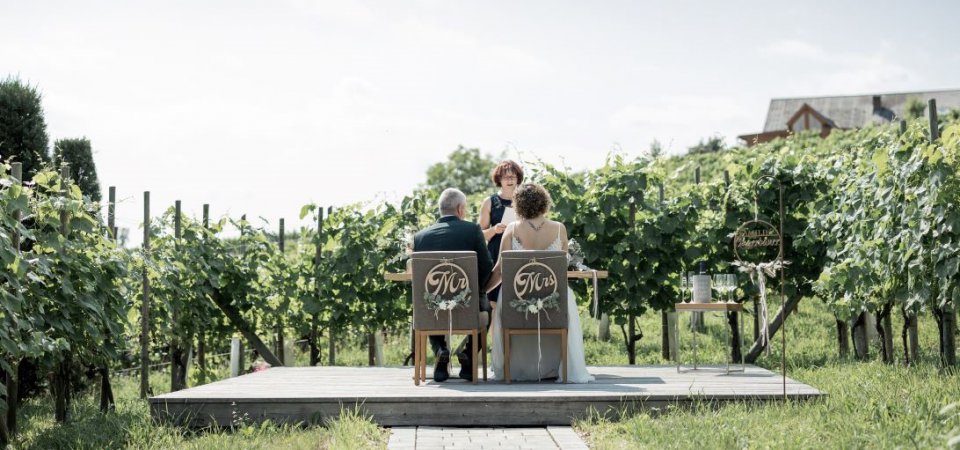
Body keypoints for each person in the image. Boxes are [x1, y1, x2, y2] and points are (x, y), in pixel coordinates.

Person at [484, 183, 593, 383]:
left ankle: (514, 368)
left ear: (518, 205)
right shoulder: (559, 229)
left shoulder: (512, 228)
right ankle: (556, 367)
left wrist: (483, 291)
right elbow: (561, 268)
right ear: (544, 202)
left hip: (517, 298)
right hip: (554, 297)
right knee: (568, 301)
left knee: (502, 303)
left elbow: (500, 270)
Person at [413, 188, 494, 382]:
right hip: (467, 304)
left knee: (431, 303)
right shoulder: (472, 230)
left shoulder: (420, 237)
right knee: (487, 310)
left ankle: (441, 352)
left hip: (432, 307)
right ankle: (467, 357)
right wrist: (476, 292)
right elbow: (487, 266)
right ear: (460, 209)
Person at [478, 160, 522, 311]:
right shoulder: (490, 202)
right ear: (499, 179)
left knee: (518, 296)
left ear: (518, 178)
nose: (509, 180)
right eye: (505, 177)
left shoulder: (524, 200)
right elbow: (480, 234)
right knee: (494, 302)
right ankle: (496, 335)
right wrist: (494, 230)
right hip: (497, 252)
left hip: (519, 250)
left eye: (513, 176)